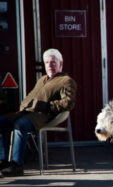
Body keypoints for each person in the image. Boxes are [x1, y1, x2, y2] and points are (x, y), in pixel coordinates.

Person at [0, 48, 76, 177]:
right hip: (26, 113)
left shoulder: (66, 80)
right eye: (47, 63)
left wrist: (46, 106)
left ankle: (17, 165)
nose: (50, 65)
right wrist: (25, 104)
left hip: (43, 115)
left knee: (20, 124)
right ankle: (4, 160)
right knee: (2, 122)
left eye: (53, 62)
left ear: (60, 64)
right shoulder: (42, 79)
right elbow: (30, 97)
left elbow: (68, 103)